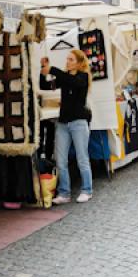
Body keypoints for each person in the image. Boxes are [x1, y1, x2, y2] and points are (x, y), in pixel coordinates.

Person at [41, 49, 93, 204]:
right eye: (67, 59)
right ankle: (64, 193)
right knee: (60, 160)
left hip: (79, 123)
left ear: (79, 62)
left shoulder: (83, 77)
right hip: (63, 123)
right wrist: (43, 70)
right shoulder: (64, 77)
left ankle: (87, 190)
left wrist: (53, 70)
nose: (68, 62)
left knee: (82, 158)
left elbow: (73, 82)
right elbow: (46, 85)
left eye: (71, 59)